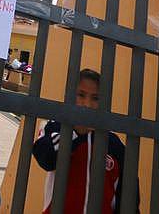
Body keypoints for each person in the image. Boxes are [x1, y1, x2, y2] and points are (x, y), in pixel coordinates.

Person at [32, 69, 139, 214]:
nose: (87, 104)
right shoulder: (55, 126)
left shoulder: (113, 144)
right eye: (81, 95)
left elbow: (129, 199)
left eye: (95, 98)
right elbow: (45, 158)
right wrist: (75, 133)